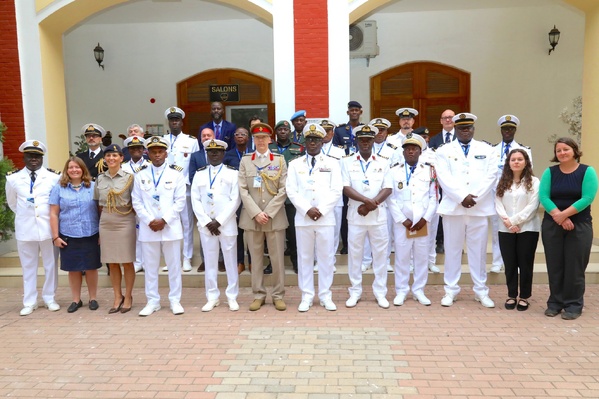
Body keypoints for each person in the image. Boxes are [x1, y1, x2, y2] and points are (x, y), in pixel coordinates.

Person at [435, 113, 496, 308]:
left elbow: (491, 176)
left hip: (478, 208)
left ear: (473, 129)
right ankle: (450, 290)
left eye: (468, 127)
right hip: (454, 208)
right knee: (452, 250)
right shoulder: (444, 151)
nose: (465, 131)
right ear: (455, 129)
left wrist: (474, 197)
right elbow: (443, 177)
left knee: (477, 252)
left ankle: (481, 290)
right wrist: (462, 197)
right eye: (461, 128)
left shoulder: (487, 149)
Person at [539, 137, 598, 320]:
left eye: (566, 149)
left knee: (575, 266)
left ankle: (573, 304)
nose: (562, 153)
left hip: (579, 225)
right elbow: (544, 196)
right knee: (555, 265)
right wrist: (559, 216)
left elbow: (587, 197)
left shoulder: (587, 171)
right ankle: (555, 303)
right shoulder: (550, 172)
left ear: (574, 150)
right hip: (553, 225)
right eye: (558, 150)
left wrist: (564, 215)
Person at [286, 123, 343, 312]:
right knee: (305, 258)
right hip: (304, 219)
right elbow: (291, 190)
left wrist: (322, 210)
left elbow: (336, 190)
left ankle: (326, 295)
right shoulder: (295, 164)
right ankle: (307, 295)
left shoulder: (332, 163)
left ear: (321, 141)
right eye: (309, 140)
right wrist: (307, 209)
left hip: (325, 219)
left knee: (326, 258)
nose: (312, 143)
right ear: (304, 142)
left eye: (316, 140)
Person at [132, 136, 187, 316]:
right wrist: (150, 221)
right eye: (153, 152)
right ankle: (152, 301)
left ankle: (175, 300)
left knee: (174, 266)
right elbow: (136, 202)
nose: (157, 155)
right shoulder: (141, 174)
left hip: (170, 227)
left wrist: (164, 220)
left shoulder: (176, 174)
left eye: (160, 152)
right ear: (148, 153)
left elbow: (180, 202)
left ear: (166, 153)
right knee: (150, 267)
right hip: (149, 229)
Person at [6, 140, 61, 316]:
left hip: (47, 229)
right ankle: (29, 301)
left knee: (50, 265)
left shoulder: (54, 177)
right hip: (25, 229)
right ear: (24, 157)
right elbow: (13, 204)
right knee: (28, 267)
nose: (34, 160)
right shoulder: (13, 178)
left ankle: (49, 298)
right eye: (30, 156)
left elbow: (55, 204)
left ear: (42, 158)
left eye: (37, 156)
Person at [341, 125, 392, 309]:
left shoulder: (383, 161)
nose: (365, 143)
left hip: (377, 217)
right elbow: (345, 187)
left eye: (368, 140)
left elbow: (388, 188)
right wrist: (365, 201)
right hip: (356, 216)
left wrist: (372, 205)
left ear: (373, 141)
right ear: (356, 141)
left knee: (380, 256)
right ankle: (355, 291)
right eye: (361, 139)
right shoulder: (346, 162)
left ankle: (380, 292)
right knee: (355, 255)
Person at [238, 122, 288, 311]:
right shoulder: (245, 161)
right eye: (257, 137)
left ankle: (278, 295)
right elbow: (242, 190)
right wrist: (256, 213)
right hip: (252, 218)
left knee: (277, 260)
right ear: (254, 139)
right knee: (256, 260)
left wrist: (268, 212)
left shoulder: (279, 160)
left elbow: (284, 189)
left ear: (270, 139)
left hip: (274, 218)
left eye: (264, 137)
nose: (260, 140)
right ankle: (258, 294)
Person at [191, 139, 241, 312]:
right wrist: (206, 221)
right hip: (206, 226)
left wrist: (219, 221)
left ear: (223, 153)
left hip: (226, 225)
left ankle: (232, 296)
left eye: (217, 152)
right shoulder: (199, 174)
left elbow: (235, 199)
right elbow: (195, 200)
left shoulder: (232, 173)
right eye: (210, 152)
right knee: (210, 262)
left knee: (230, 261)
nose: (213, 154)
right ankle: (212, 296)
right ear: (206, 154)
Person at [387, 133, 437, 306]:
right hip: (403, 223)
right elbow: (390, 198)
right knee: (402, 257)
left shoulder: (429, 170)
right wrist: (402, 219)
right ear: (403, 152)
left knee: (421, 257)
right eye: (407, 149)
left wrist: (425, 218)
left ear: (420, 152)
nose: (410, 152)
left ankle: (419, 290)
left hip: (421, 222)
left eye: (414, 149)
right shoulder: (394, 171)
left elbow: (433, 197)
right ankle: (401, 290)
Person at [49, 157, 101, 313]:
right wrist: (55, 237)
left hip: (91, 233)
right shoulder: (59, 188)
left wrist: (102, 234)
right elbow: (53, 213)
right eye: (71, 167)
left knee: (92, 268)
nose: (74, 170)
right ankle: (76, 300)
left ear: (83, 169)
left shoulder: (93, 187)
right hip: (68, 234)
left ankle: (93, 298)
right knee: (73, 269)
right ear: (66, 170)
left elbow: (100, 211)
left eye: (77, 167)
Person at [495, 149, 540, 311]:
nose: (516, 162)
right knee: (510, 263)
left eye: (520, 159)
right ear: (508, 163)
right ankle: (511, 295)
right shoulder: (503, 181)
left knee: (525, 263)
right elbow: (498, 203)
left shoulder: (534, 182)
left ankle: (524, 296)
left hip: (528, 228)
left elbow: (533, 206)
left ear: (526, 162)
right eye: (513, 159)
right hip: (505, 229)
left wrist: (514, 221)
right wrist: (507, 222)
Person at [94, 144, 136, 314]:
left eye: (115, 155)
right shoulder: (100, 179)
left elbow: (136, 201)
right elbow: (97, 203)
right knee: (111, 262)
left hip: (125, 220)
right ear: (105, 158)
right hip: (106, 221)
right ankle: (117, 296)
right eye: (108, 156)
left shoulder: (129, 177)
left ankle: (128, 296)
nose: (111, 158)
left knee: (126, 261)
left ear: (121, 158)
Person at [490, 115, 533, 274]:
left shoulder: (525, 150)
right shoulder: (492, 150)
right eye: (505, 128)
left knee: (518, 227)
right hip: (497, 195)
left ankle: (516, 262)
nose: (508, 131)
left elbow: (527, 173)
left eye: (511, 128)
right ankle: (497, 261)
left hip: (517, 195)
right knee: (498, 229)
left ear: (515, 130)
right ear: (501, 130)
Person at [164, 106, 200, 273]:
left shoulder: (191, 141)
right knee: (169, 223)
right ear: (169, 122)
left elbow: (195, 165)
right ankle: (172, 258)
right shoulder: (162, 140)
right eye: (172, 120)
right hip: (166, 189)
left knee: (186, 224)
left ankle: (187, 257)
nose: (174, 122)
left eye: (177, 119)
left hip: (185, 188)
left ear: (181, 122)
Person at [269, 120, 305, 273]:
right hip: (272, 196)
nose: (283, 132)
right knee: (273, 233)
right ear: (276, 133)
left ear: (289, 132)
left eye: (285, 129)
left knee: (293, 232)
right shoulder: (268, 148)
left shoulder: (298, 149)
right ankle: (272, 263)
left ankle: (296, 261)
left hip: (291, 197)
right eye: (280, 129)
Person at [333, 101, 365, 255]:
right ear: (348, 113)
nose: (354, 113)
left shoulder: (365, 129)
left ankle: (362, 245)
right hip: (344, 174)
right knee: (346, 210)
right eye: (351, 110)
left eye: (356, 110)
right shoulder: (339, 131)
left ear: (361, 112)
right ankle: (346, 244)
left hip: (361, 172)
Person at [223, 127, 253, 274]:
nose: (240, 136)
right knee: (238, 231)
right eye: (237, 134)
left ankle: (253, 262)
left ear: (248, 138)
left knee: (253, 232)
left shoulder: (253, 155)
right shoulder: (227, 156)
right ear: (234, 138)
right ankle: (240, 261)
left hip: (252, 198)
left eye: (244, 134)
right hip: (235, 199)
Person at [429, 109, 456, 256]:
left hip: (456, 184)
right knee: (440, 213)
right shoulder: (433, 140)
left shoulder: (462, 138)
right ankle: (440, 241)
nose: (448, 120)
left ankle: (454, 241)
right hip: (439, 184)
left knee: (455, 213)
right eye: (445, 118)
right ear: (440, 121)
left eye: (450, 117)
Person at [122, 136, 150, 273]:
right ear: (129, 150)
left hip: (146, 205)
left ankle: (147, 261)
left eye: (139, 148)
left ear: (143, 149)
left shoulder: (150, 165)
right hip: (128, 206)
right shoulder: (123, 167)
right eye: (133, 148)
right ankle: (138, 261)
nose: (136, 150)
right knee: (134, 234)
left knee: (147, 233)